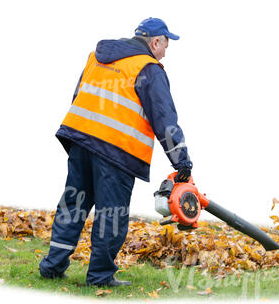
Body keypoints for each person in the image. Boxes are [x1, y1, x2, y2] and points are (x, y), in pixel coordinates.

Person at [38, 18, 193, 287]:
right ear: (155, 42)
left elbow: (79, 96)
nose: (166, 52)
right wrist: (182, 161)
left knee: (73, 205)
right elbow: (165, 121)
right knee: (112, 215)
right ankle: (99, 277)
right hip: (115, 151)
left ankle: (52, 266)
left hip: (80, 140)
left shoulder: (96, 57)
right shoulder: (149, 69)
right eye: (166, 45)